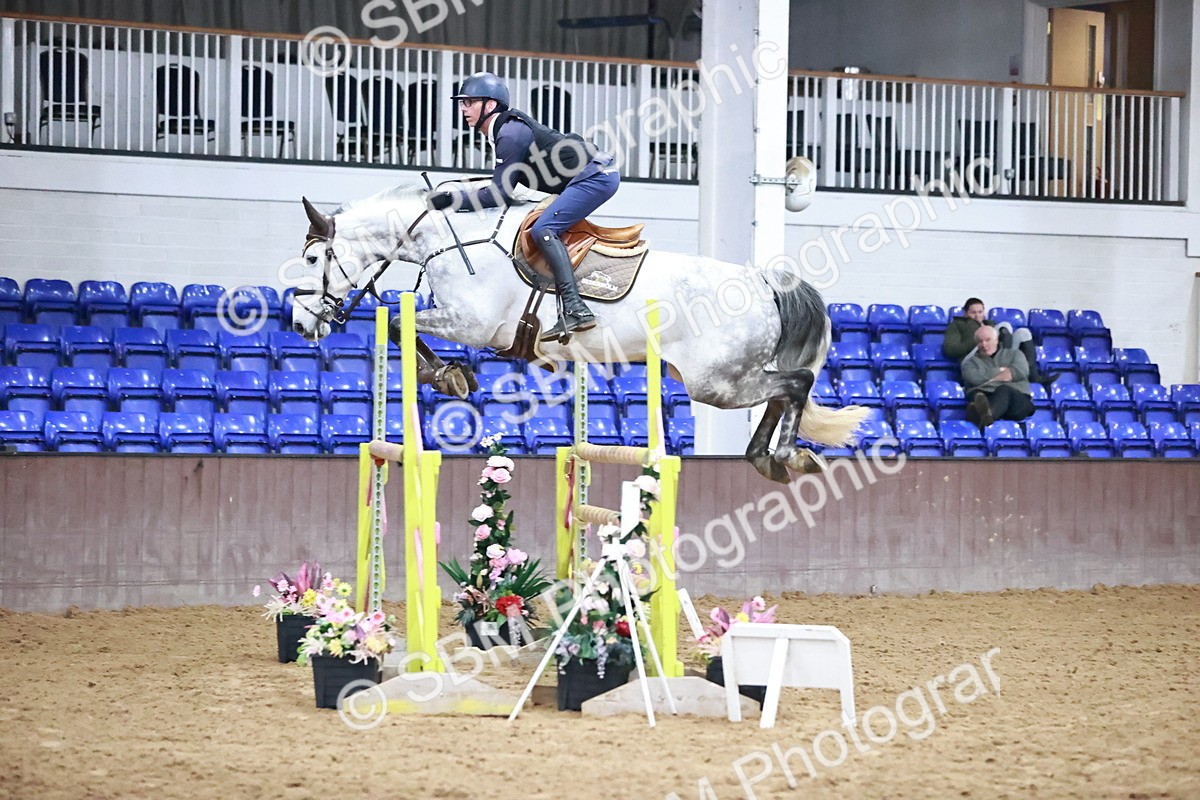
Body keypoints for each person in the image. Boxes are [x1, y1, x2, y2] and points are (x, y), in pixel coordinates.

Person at [426, 71, 620, 342]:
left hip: (595, 177)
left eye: (469, 102)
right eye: (462, 102)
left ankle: (576, 309)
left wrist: (452, 200)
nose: (463, 108)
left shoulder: (509, 134)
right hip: (586, 175)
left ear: (490, 105)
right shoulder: (504, 130)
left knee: (543, 229)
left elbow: (499, 194)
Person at [943, 297, 1055, 388]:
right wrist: (979, 340)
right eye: (973, 312)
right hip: (972, 360)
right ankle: (1004, 366)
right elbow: (950, 349)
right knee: (1004, 325)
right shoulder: (957, 325)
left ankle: (1033, 376)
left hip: (994, 354)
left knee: (1023, 332)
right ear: (965, 313)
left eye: (980, 312)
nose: (977, 316)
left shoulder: (990, 324)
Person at [960, 325, 1035, 428]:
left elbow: (1021, 371)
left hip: (1016, 400)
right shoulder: (969, 363)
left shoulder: (1015, 354)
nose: (984, 344)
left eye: (987, 340)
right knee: (977, 395)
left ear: (996, 340)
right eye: (980, 341)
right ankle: (986, 415)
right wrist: (1001, 372)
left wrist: (988, 381)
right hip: (987, 397)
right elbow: (974, 378)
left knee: (1004, 390)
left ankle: (983, 416)